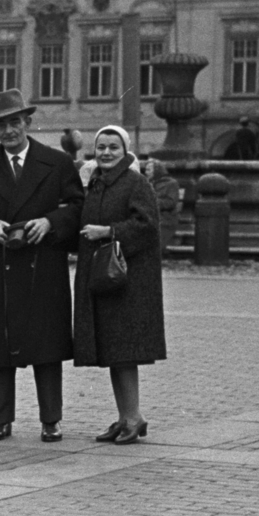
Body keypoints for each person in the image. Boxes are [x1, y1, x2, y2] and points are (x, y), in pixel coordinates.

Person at [0, 89, 84, 443]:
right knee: (0, 347)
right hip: (1, 265)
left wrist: (51, 222)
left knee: (46, 345)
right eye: (1, 125)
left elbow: (77, 206)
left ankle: (51, 419)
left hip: (44, 264)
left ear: (28, 122)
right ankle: (0, 418)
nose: (8, 131)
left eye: (14, 122)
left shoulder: (57, 163)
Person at [75, 126, 165, 444]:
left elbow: (148, 225)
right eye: (101, 147)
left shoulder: (135, 182)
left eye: (114, 147)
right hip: (107, 280)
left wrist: (108, 232)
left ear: (125, 150)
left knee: (123, 352)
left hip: (128, 282)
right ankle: (126, 416)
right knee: (115, 352)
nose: (106, 153)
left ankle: (134, 417)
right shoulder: (98, 182)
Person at [145, 158, 181, 255]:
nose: (145, 172)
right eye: (146, 169)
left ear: (157, 170)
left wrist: (152, 202)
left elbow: (171, 202)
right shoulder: (146, 183)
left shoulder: (171, 183)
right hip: (149, 215)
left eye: (148, 169)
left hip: (166, 217)